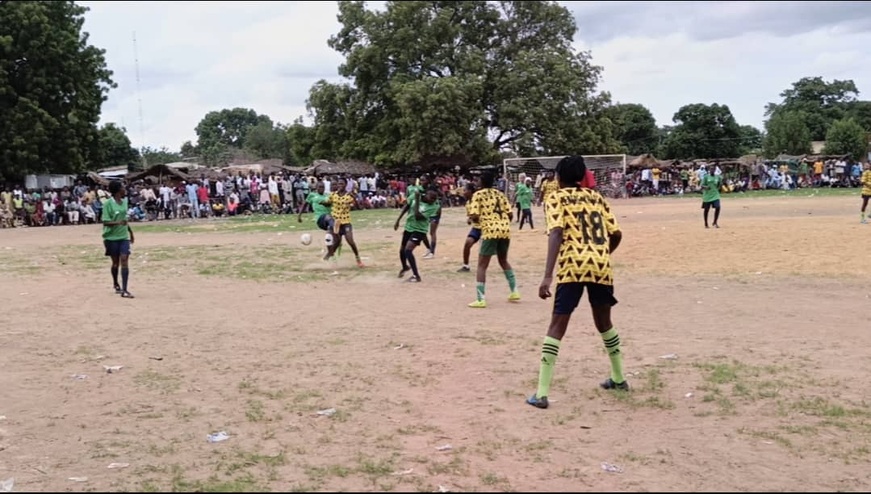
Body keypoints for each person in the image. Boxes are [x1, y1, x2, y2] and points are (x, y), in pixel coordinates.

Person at [527, 156, 625, 410]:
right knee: (604, 322)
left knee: (558, 324)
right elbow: (616, 233)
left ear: (558, 177)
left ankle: (541, 393)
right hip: (600, 265)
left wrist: (548, 275)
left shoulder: (555, 198)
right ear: (582, 177)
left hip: (572, 265)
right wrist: (602, 254)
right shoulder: (597, 198)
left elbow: (557, 232)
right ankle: (618, 378)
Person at [466, 172, 519, 308]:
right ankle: (514, 291)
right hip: (505, 230)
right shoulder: (500, 194)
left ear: (482, 182)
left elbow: (474, 215)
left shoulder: (478, 195)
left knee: (482, 265)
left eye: (478, 180)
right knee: (503, 260)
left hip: (490, 231)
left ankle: (480, 299)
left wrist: (483, 220)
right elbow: (510, 214)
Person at [394, 189, 441, 282]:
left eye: (434, 199)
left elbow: (417, 216)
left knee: (408, 250)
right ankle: (405, 267)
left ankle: (416, 276)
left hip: (419, 230)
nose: (433, 200)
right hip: (409, 227)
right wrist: (398, 220)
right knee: (402, 250)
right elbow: (407, 207)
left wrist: (417, 200)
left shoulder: (434, 207)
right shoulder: (415, 197)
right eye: (431, 198)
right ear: (426, 195)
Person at [102, 180, 135, 299]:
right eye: (122, 187)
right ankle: (116, 283)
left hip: (123, 237)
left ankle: (125, 290)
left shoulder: (125, 202)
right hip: (111, 237)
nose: (124, 189)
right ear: (117, 190)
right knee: (115, 263)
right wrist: (118, 223)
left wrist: (130, 232)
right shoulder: (108, 204)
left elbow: (124, 219)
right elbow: (105, 222)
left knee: (124, 260)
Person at [322, 179, 364, 267]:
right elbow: (328, 203)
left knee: (350, 241)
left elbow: (359, 208)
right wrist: (322, 202)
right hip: (334, 222)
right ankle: (328, 258)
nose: (340, 185)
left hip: (345, 222)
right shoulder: (333, 195)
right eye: (338, 184)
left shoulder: (349, 196)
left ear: (345, 185)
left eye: (342, 184)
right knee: (333, 240)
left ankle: (358, 259)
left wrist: (355, 198)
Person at [297, 182, 335, 247]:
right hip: (320, 218)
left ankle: (331, 244)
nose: (321, 188)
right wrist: (299, 215)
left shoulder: (328, 196)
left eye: (323, 187)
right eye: (320, 187)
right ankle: (330, 239)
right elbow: (305, 204)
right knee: (329, 219)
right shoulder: (312, 195)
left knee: (333, 226)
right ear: (316, 188)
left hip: (330, 219)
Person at [458, 183, 481, 272]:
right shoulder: (468, 203)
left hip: (485, 227)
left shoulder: (479, 200)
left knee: (485, 250)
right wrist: (470, 219)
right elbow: (472, 216)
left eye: (465, 190)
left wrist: (474, 218)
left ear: (470, 191)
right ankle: (466, 266)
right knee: (467, 244)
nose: (463, 193)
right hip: (476, 227)